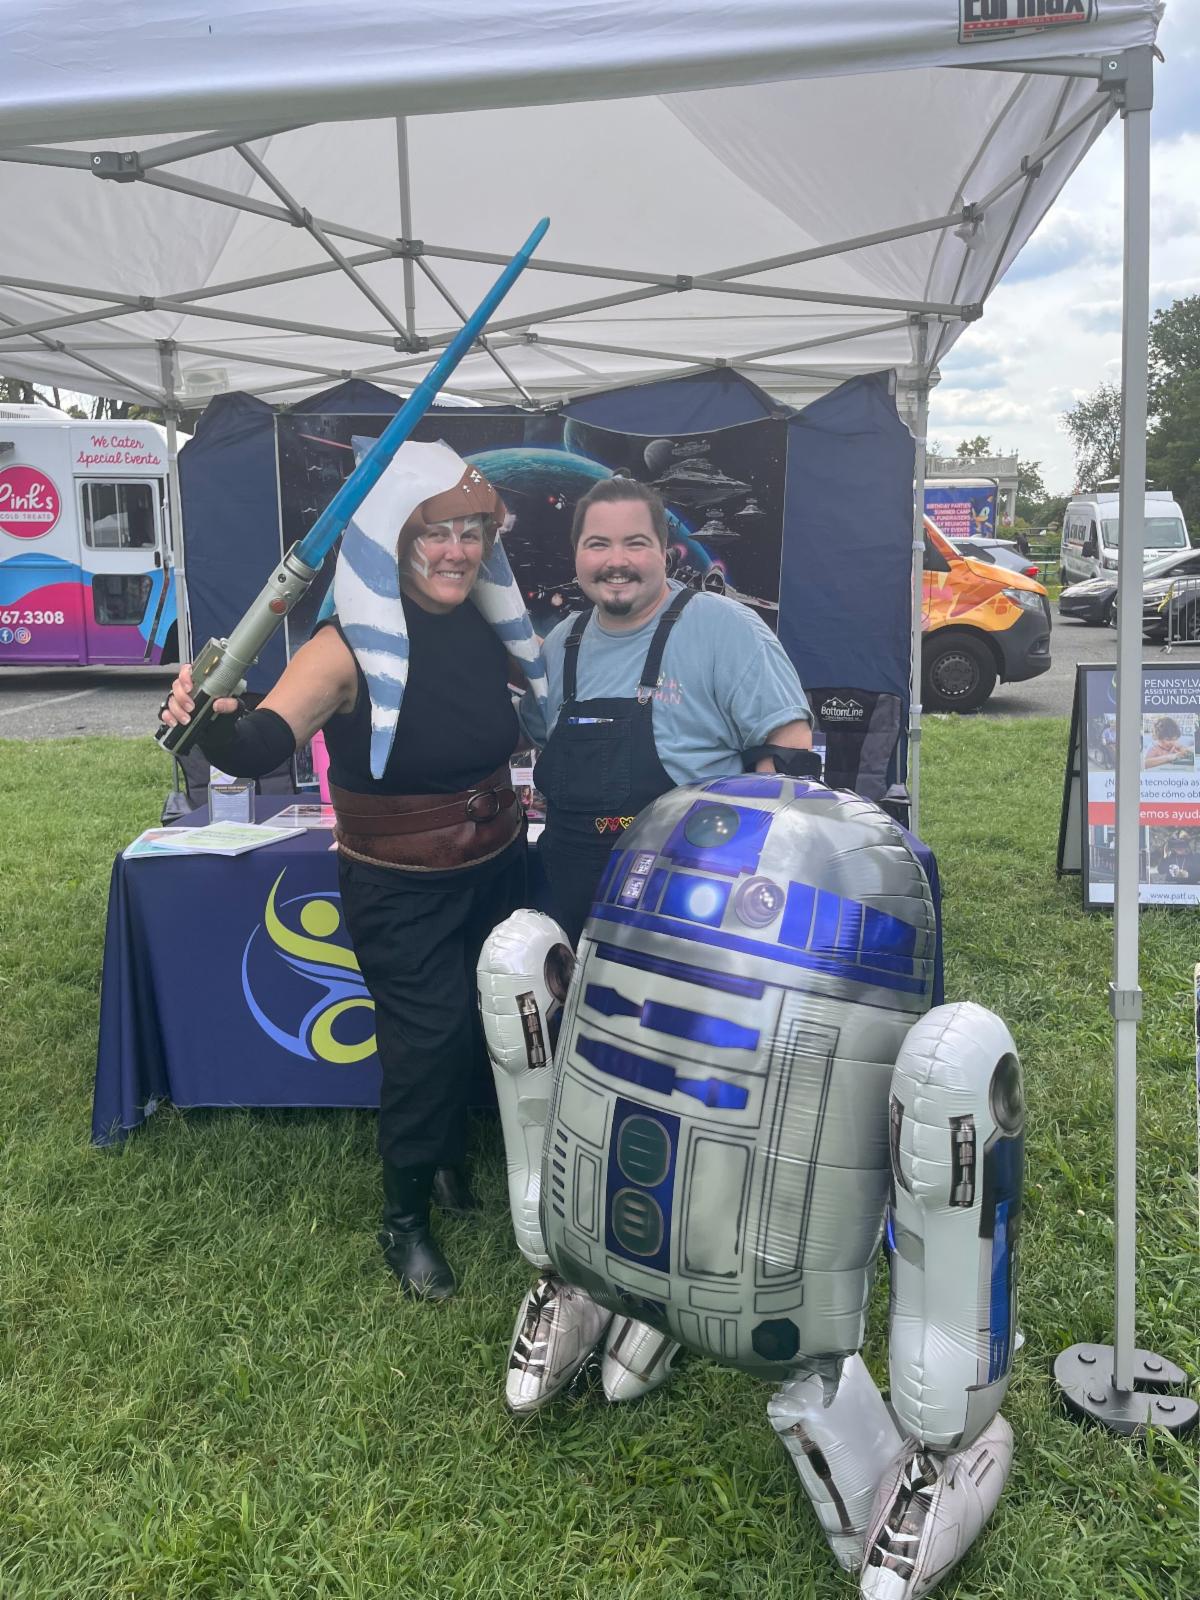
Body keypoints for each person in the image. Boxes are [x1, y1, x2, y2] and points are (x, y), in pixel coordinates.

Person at [160, 443, 546, 1303]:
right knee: (428, 1038)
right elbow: (264, 742)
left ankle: (448, 1159)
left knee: (490, 1022)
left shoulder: (484, 622)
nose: (456, 551)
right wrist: (215, 720)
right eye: (434, 532)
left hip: (496, 862)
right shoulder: (343, 646)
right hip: (400, 883)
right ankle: (404, 1219)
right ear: (390, 539)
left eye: (472, 531)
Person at [521, 476, 815, 944]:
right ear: (577, 553)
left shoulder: (724, 627)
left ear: (665, 551)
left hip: (691, 917)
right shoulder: (560, 645)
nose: (616, 562)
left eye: (635, 544)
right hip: (570, 912)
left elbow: (788, 751)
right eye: (598, 545)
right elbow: (540, 741)